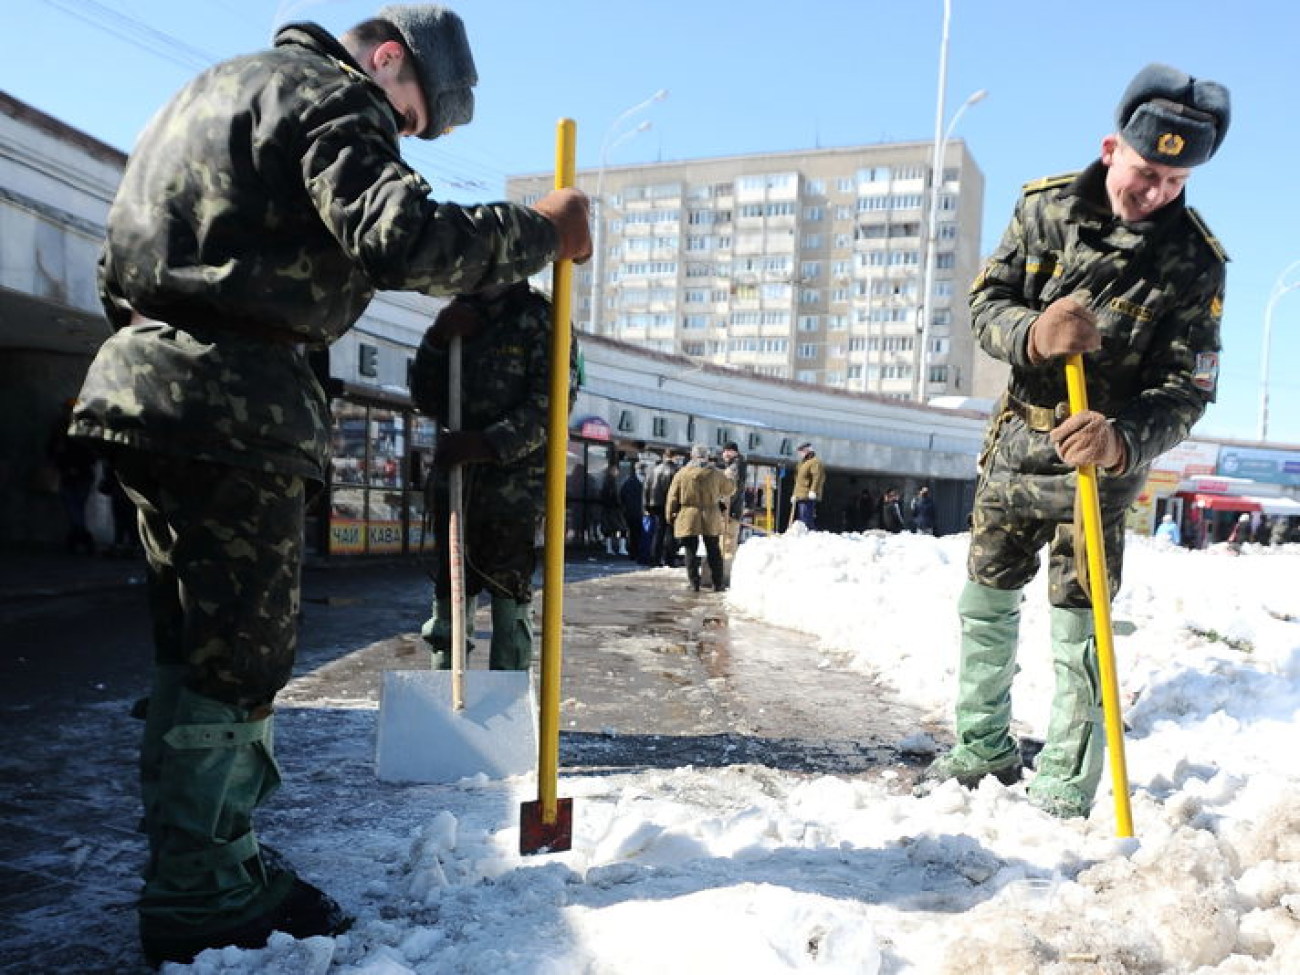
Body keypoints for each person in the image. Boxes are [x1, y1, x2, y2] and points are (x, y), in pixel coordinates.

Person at [64, 5, 592, 965]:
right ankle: (207, 892)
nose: (407, 137)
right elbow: (397, 235)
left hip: (144, 388)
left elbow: (121, 253)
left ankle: (206, 860)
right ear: (389, 59)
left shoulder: (212, 90)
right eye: (415, 118)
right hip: (233, 408)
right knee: (236, 659)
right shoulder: (333, 97)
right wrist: (538, 231)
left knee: (194, 650)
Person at [920, 63, 1230, 821]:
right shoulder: (1045, 209)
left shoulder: (1195, 263)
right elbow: (985, 302)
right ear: (1109, 148)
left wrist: (1123, 439)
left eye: (1172, 180)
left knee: (1080, 622)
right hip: (1017, 453)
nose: (1153, 191)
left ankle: (1065, 776)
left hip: (1100, 468)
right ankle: (982, 742)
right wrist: (1031, 334)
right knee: (985, 600)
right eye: (1145, 170)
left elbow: (1187, 389)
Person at [412, 282, 576, 671]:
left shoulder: (539, 318)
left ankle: (508, 695)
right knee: (450, 593)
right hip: (456, 487)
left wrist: (486, 444)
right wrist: (437, 340)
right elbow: (425, 397)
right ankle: (444, 688)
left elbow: (550, 406)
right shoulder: (460, 313)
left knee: (509, 594)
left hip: (512, 491)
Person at [666, 444, 735, 592]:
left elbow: (672, 496)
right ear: (707, 457)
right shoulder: (715, 474)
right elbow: (730, 489)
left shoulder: (682, 473)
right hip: (711, 514)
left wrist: (670, 515)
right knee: (713, 550)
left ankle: (694, 583)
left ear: (692, 456)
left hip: (688, 514)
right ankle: (718, 583)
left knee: (690, 550)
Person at [46, 400, 98, 555]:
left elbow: (89, 453)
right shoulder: (75, 428)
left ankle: (81, 537)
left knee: (74, 508)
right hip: (75, 473)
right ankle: (80, 537)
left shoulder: (71, 428)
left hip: (78, 473)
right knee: (75, 508)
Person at [643, 448, 681, 566]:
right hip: (668, 503)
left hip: (654, 503)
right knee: (670, 532)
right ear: (674, 456)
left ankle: (655, 558)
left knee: (657, 532)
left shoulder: (653, 470)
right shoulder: (675, 470)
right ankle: (669, 558)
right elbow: (674, 490)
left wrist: (646, 505)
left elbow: (646, 487)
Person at [718, 441, 748, 559]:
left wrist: (723, 506)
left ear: (734, 452)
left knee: (728, 542)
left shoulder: (735, 466)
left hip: (731, 510)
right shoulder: (733, 464)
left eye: (728, 451)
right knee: (724, 540)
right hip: (730, 509)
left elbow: (731, 491)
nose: (725, 453)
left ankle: (725, 570)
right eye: (724, 451)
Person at [790, 441, 825, 530]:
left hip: (808, 496)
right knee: (801, 519)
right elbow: (798, 481)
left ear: (807, 451)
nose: (800, 454)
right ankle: (805, 535)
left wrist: (813, 490)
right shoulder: (802, 463)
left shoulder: (815, 462)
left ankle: (811, 535)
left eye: (801, 451)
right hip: (800, 495)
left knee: (806, 519)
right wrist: (795, 494)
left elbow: (817, 477)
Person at [619, 462, 647, 563]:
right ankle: (638, 553)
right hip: (639, 511)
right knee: (640, 533)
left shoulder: (628, 482)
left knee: (633, 533)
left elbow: (622, 496)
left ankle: (633, 553)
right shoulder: (644, 481)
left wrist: (625, 507)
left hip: (631, 511)